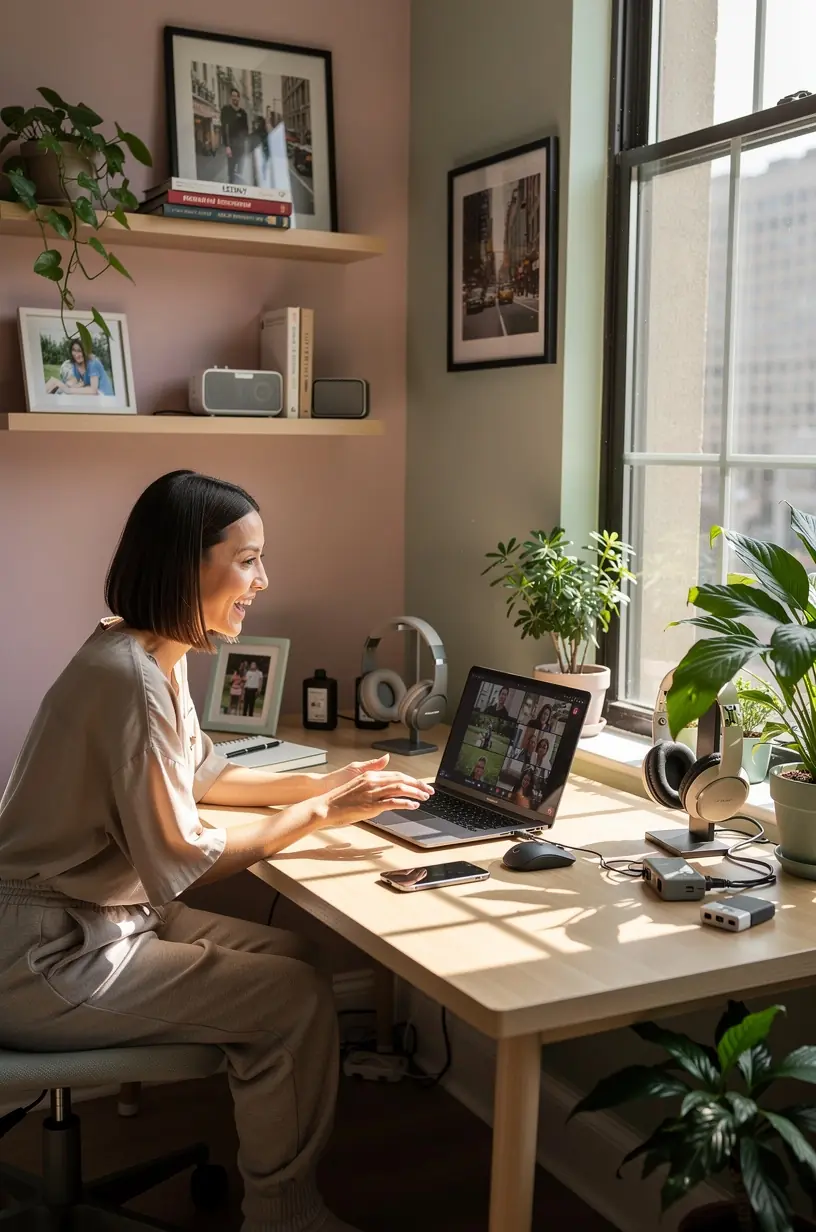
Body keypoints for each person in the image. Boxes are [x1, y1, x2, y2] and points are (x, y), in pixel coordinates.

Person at [0, 470, 434, 1232]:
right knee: (294, 1002)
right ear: (185, 566)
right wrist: (320, 812)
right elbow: (183, 858)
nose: (263, 581)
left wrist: (328, 782)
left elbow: (205, 774)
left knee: (299, 959)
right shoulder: (129, 680)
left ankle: (269, 1154)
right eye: (248, 560)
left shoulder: (144, 652)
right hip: (48, 956)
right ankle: (283, 1216)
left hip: (97, 919)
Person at [46, 339, 113, 397]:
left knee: (69, 394)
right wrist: (61, 385)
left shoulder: (93, 363)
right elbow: (77, 384)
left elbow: (93, 390)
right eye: (74, 350)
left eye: (79, 351)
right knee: (54, 383)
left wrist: (68, 390)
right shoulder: (75, 366)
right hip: (94, 394)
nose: (76, 354)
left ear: (85, 351)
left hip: (104, 395)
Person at [221, 86, 250, 184]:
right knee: (231, 172)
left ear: (239, 98)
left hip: (241, 146)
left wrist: (245, 144)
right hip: (231, 146)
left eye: (236, 96)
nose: (234, 98)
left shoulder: (243, 113)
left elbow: (246, 130)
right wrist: (227, 146)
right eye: (233, 96)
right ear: (230, 97)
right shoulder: (226, 110)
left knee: (240, 172)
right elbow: (224, 128)